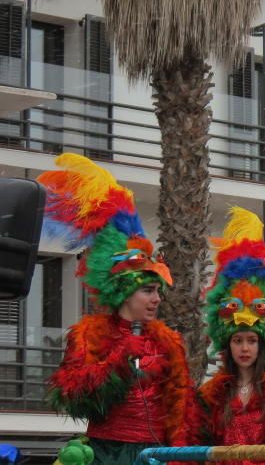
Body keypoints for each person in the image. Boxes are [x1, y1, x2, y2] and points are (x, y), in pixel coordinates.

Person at [42, 154, 198, 464]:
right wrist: (119, 360)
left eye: (158, 292)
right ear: (124, 292)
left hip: (157, 455)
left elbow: (182, 409)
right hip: (105, 454)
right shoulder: (88, 335)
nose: (156, 300)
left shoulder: (169, 342)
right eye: (148, 291)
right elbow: (71, 399)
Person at [198, 207, 265, 465]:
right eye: (238, 340)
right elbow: (197, 447)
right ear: (228, 343)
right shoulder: (211, 394)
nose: (245, 348)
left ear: (261, 344)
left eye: (252, 340)